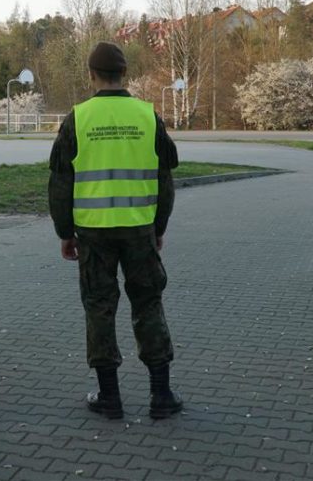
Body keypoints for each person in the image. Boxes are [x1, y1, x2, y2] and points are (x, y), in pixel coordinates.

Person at [48, 41, 182, 421]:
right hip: (139, 229)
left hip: (93, 233)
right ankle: (161, 395)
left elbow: (60, 182)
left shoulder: (78, 118)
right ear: (124, 75)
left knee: (99, 308)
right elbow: (164, 180)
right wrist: (159, 227)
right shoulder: (147, 116)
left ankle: (109, 396)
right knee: (148, 303)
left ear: (91, 75)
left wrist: (65, 232)